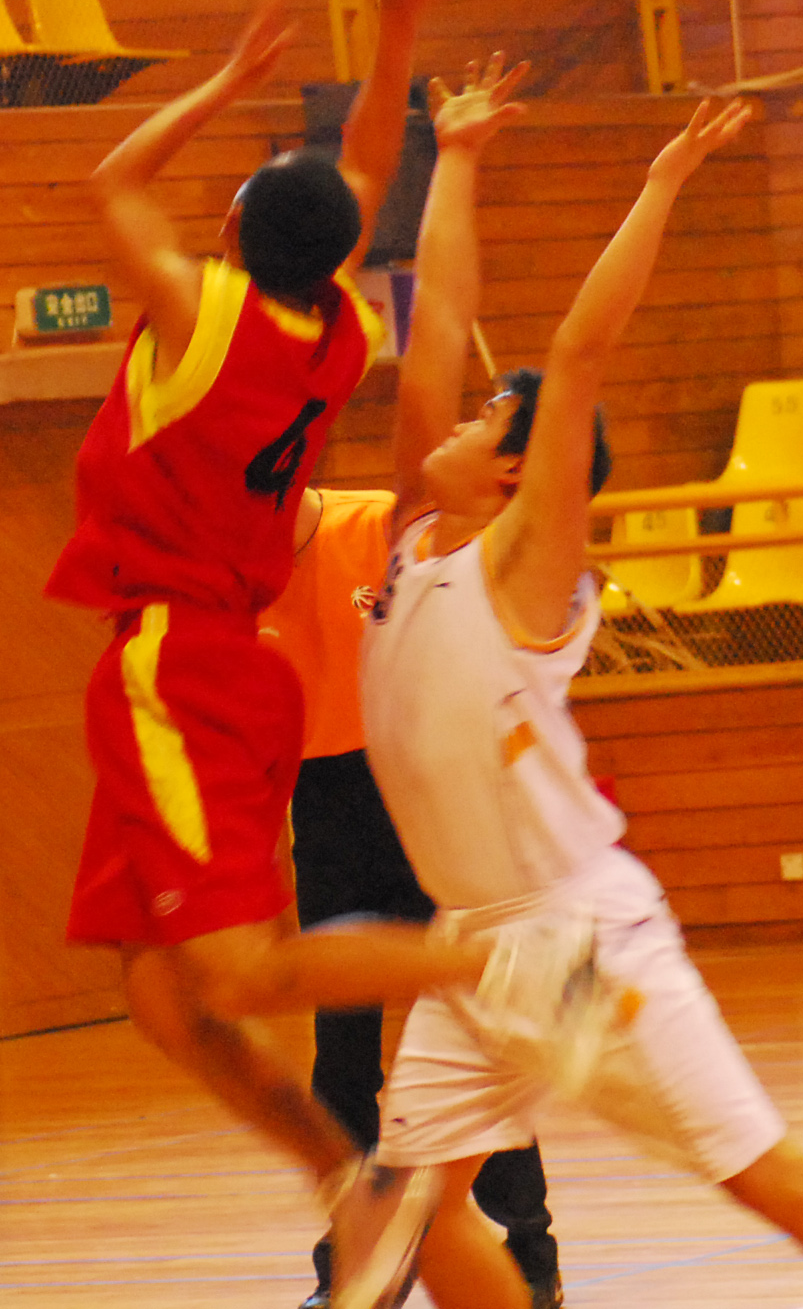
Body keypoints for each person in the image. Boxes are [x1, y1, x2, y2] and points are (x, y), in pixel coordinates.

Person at [359, 63, 803, 1309]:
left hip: (571, 939)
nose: (455, 421)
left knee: (754, 1169)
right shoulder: (415, 537)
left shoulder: (527, 564)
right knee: (409, 1202)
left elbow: (580, 352)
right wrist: (453, 157)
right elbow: (436, 315)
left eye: (485, 417)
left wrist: (665, 178)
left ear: (520, 469)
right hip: (471, 945)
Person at [42, 0, 548, 1309]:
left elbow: (110, 179)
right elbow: (364, 169)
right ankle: (349, 1180)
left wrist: (223, 78)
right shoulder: (332, 333)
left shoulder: (202, 318)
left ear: (230, 228)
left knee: (245, 970)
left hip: (179, 656)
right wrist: (395, 27)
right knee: (164, 1000)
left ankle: (501, 960)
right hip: (225, 660)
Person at [261, 487, 564, 1309]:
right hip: (325, 811)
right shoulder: (235, 576)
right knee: (342, 1060)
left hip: (423, 795)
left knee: (481, 1039)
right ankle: (352, 1268)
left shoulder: (378, 525)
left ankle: (530, 1255)